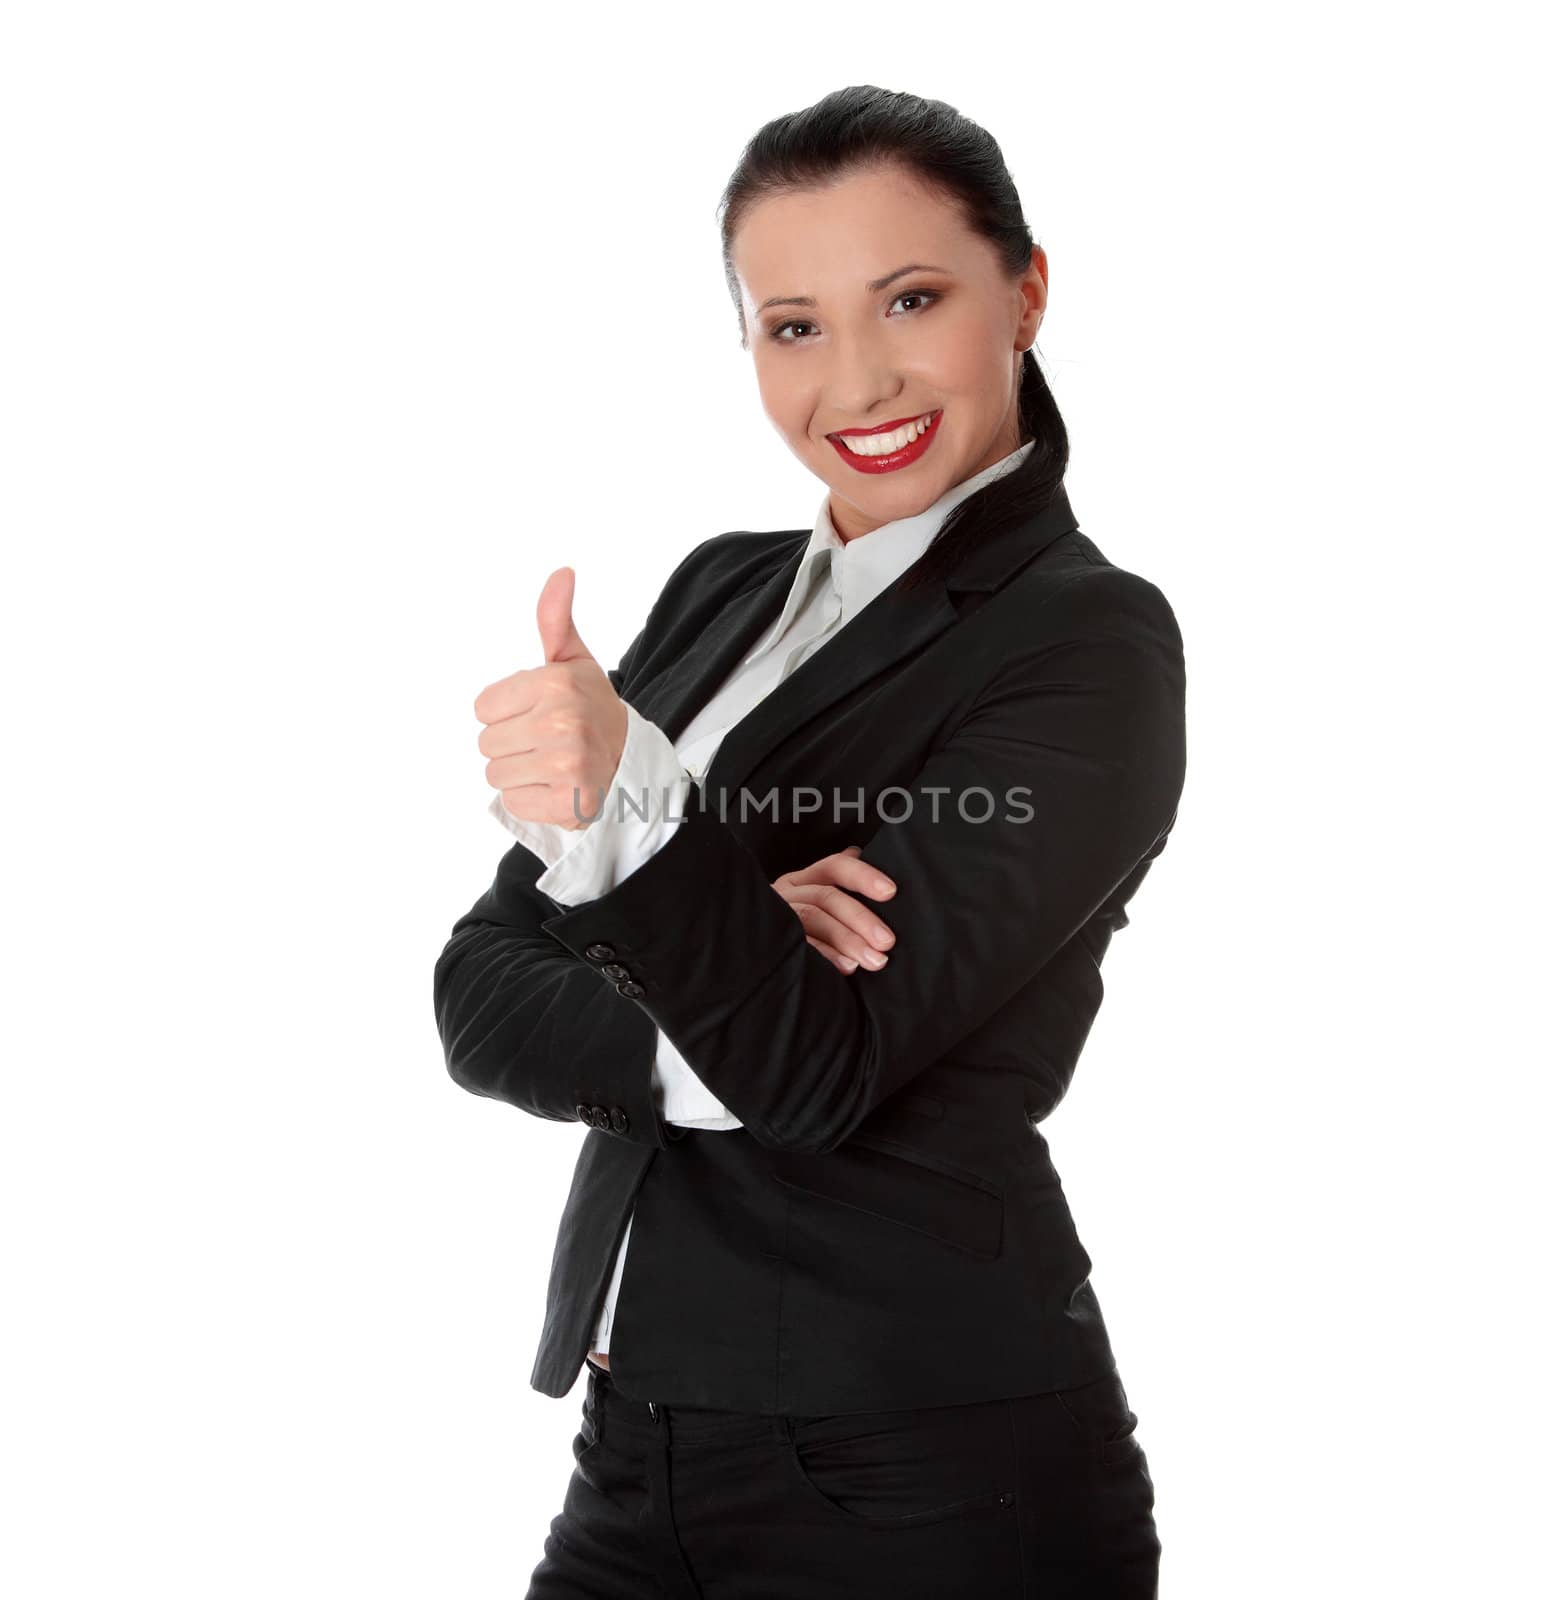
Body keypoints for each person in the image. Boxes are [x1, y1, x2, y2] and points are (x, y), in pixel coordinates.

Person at [435, 83, 1186, 1599]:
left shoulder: (1087, 643)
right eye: (792, 325)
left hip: (929, 1468)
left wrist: (641, 834)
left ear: (1025, 293)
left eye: (911, 298)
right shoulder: (721, 587)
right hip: (634, 1426)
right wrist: (721, 935)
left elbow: (811, 1071)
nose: (855, 379)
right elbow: (473, 986)